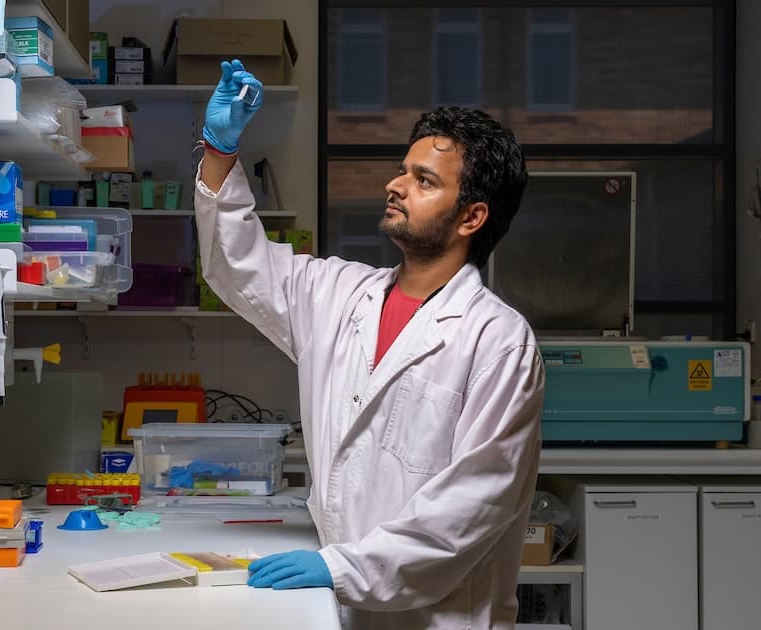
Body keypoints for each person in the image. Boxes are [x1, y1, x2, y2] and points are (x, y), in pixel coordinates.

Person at [194, 59, 546, 629]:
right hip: (336, 604)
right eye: (404, 171)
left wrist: (342, 568)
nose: (396, 184)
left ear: (472, 217)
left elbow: (469, 507)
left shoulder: (497, 341)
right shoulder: (339, 293)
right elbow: (237, 267)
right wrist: (219, 149)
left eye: (424, 181)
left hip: (439, 616)